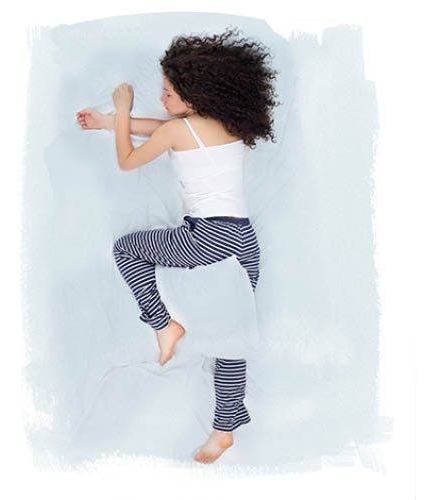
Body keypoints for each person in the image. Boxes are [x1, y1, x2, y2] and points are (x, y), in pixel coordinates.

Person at [76, 27, 279, 464]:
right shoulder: (225, 123)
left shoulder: (179, 131)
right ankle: (223, 431)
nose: (162, 97)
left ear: (193, 95)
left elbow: (127, 160)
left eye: (168, 92)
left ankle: (163, 325)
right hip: (244, 240)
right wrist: (110, 123)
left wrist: (121, 109)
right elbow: (165, 128)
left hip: (207, 236)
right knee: (233, 337)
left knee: (127, 249)